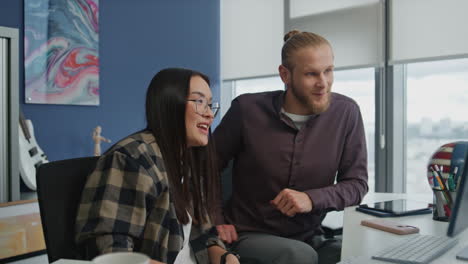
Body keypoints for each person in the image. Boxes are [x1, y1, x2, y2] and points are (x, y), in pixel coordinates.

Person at [213, 30, 369, 264]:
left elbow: (357, 185)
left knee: (362, 253)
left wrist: (311, 198)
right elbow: (204, 169)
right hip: (248, 234)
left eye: (328, 71)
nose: (323, 83)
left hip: (309, 235)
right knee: (299, 256)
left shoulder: (346, 113)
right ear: (285, 75)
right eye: (311, 74)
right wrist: (216, 222)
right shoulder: (247, 110)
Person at [75, 68, 240, 264]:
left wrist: (225, 257)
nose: (209, 115)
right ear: (170, 104)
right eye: (199, 102)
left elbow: (202, 233)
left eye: (210, 105)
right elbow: (112, 252)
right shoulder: (132, 159)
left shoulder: (187, 161)